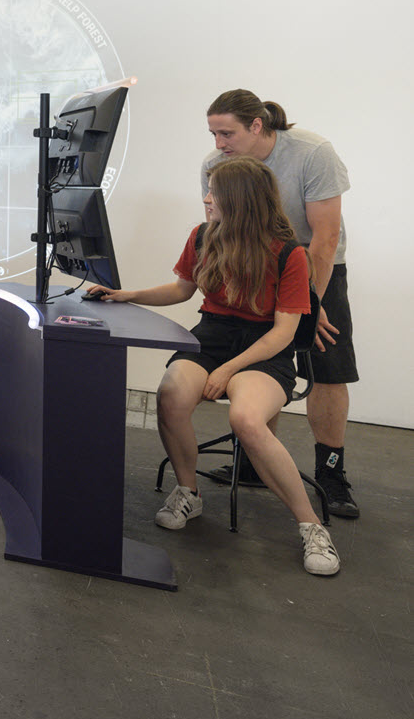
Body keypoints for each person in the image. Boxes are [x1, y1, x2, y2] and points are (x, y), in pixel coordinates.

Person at [88, 156, 340, 576]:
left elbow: (283, 333)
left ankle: (311, 526)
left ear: (240, 201)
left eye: (214, 194)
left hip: (264, 349)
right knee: (171, 396)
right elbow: (181, 289)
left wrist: (228, 370)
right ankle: (189, 492)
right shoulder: (203, 236)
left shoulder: (290, 254)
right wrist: (125, 294)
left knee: (247, 420)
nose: (206, 199)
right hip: (211, 336)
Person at [201, 89, 358, 518]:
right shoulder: (216, 164)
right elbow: (219, 227)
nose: (218, 144)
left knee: (327, 366)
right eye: (213, 134)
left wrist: (311, 301)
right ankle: (255, 462)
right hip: (254, 267)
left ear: (257, 126)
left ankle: (331, 474)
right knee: (260, 363)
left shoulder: (312, 153)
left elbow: (324, 238)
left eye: (227, 133)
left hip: (315, 265)